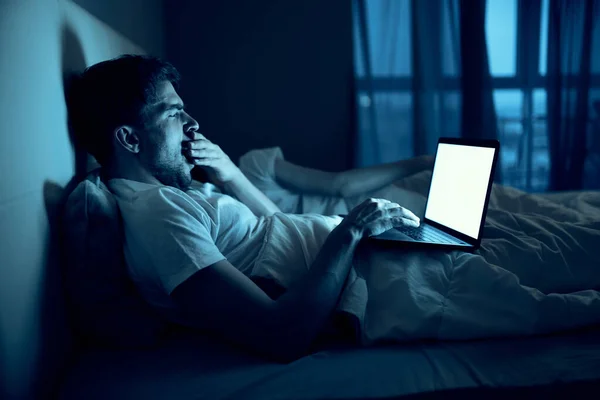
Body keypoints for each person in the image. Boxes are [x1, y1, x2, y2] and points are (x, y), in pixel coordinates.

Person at [67, 54, 425, 361]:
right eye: (175, 113)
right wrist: (351, 231)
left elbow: (275, 224)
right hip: (377, 277)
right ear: (129, 138)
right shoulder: (158, 216)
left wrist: (231, 175)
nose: (193, 124)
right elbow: (280, 335)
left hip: (375, 253)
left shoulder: (176, 190)